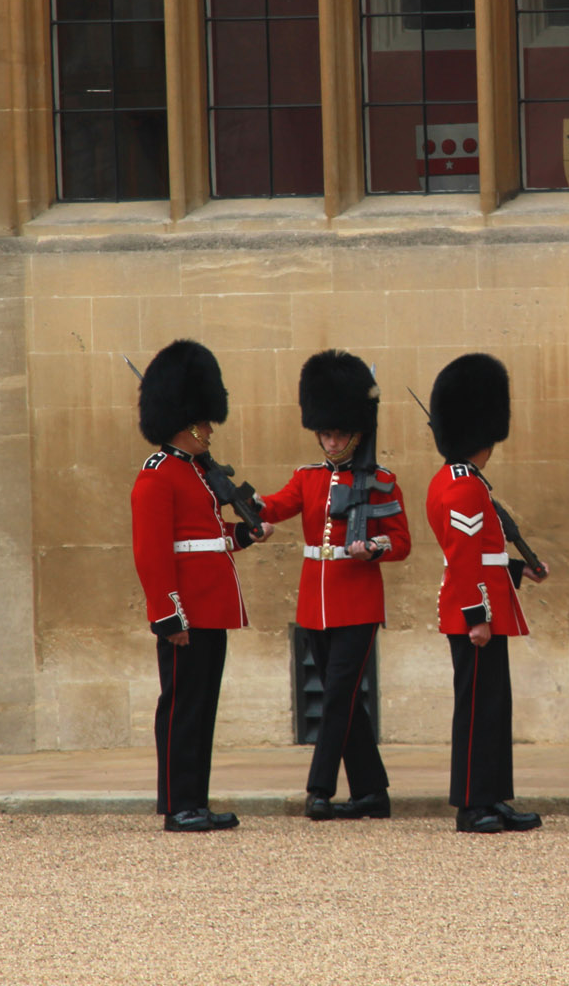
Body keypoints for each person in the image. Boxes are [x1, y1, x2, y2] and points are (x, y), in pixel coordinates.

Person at [259, 350, 411, 821]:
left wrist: (375, 548)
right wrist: (240, 504)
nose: (330, 441)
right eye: (325, 433)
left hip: (359, 602)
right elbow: (273, 506)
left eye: (338, 433)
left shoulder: (382, 481)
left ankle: (319, 789)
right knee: (343, 699)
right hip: (314, 603)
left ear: (356, 432)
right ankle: (372, 792)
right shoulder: (306, 479)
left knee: (339, 696)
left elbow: (402, 542)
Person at [131, 339, 273, 832]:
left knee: (202, 708)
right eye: (206, 422)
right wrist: (168, 615)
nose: (211, 430)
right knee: (182, 708)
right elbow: (152, 554)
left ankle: (195, 798)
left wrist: (246, 535)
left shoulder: (195, 473)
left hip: (211, 607)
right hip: (186, 611)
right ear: (188, 422)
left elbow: (207, 540)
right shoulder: (157, 476)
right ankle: (177, 804)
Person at [424, 353, 548, 835]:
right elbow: (463, 558)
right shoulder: (463, 487)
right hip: (475, 615)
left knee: (493, 706)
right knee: (478, 709)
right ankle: (473, 804)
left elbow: (485, 555)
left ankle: (493, 796)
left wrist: (520, 571)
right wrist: (477, 615)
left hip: (487, 604)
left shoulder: (463, 482)